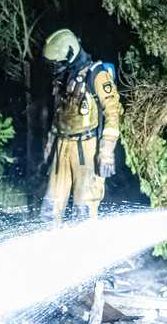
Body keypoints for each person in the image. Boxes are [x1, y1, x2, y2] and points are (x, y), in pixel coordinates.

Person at [40, 29, 121, 221]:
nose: (54, 67)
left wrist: (107, 151)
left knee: (83, 211)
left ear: (69, 53)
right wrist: (50, 146)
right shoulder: (63, 79)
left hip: (86, 149)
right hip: (62, 146)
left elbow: (112, 111)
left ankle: (85, 248)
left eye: (56, 62)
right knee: (49, 211)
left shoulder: (96, 74)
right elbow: (58, 115)